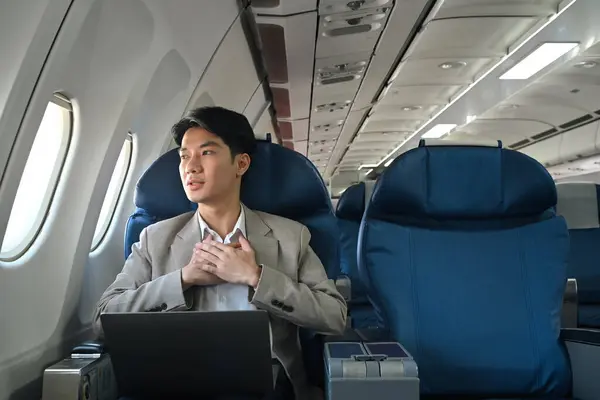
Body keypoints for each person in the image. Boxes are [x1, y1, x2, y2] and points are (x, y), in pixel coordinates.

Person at [92, 106, 347, 399]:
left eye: (207, 152)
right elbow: (102, 320)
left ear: (241, 164)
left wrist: (257, 277)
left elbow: (335, 316)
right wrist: (183, 280)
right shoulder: (156, 239)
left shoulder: (289, 236)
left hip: (269, 386)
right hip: (178, 384)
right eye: (184, 156)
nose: (191, 166)